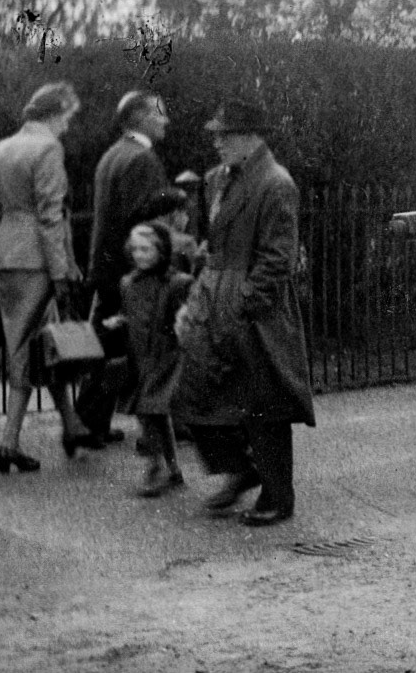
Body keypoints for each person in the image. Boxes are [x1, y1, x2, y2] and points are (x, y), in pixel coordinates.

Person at [172, 98, 314, 526]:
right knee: (193, 390)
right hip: (214, 293)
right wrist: (199, 298)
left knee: (262, 402)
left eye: (225, 135)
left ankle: (277, 494)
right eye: (215, 135)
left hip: (255, 307)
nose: (217, 143)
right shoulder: (217, 180)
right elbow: (212, 247)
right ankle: (239, 469)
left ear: (252, 137)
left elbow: (277, 259)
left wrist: (243, 303)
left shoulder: (276, 183)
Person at [0, 81, 96, 473]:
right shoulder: (48, 149)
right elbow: (51, 216)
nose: (68, 126)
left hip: (6, 254)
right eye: (68, 117)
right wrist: (61, 271)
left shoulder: (2, 147)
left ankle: (71, 424)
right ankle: (9, 442)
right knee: (26, 345)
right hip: (37, 258)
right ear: (54, 113)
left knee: (45, 338)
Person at [76, 90, 173, 443]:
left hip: (104, 265)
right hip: (127, 270)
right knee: (141, 346)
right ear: (141, 118)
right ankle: (167, 424)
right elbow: (142, 217)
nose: (165, 120)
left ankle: (89, 422)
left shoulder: (113, 155)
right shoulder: (143, 159)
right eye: (159, 114)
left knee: (106, 344)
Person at [99, 222, 192, 496]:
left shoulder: (177, 283)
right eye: (135, 249)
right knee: (154, 415)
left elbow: (183, 317)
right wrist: (120, 320)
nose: (140, 255)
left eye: (146, 249)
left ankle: (155, 468)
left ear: (162, 250)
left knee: (152, 411)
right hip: (140, 357)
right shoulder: (128, 283)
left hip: (166, 356)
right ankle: (173, 470)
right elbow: (132, 314)